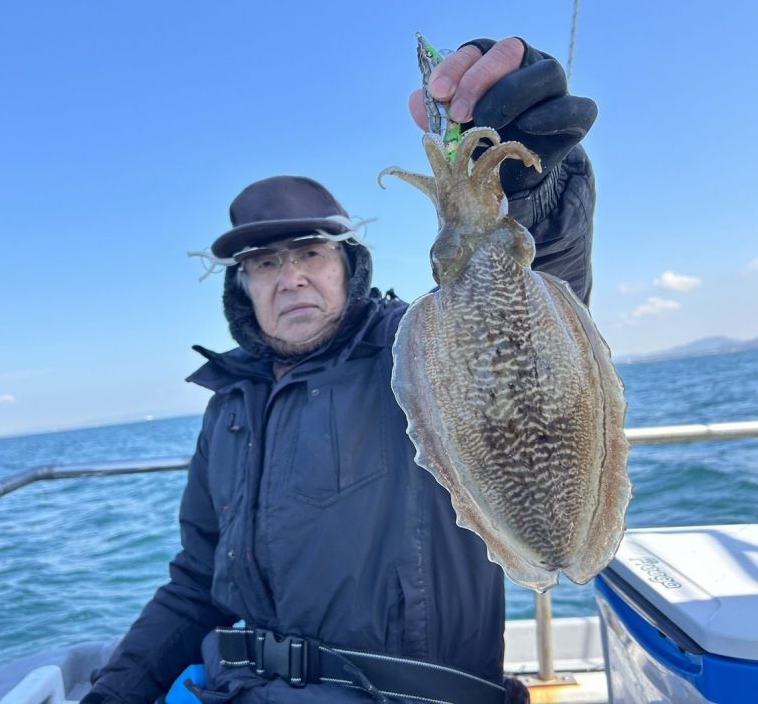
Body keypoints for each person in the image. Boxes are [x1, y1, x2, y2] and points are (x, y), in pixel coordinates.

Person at [81, 37, 597, 704]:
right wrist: (113, 692)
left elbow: (522, 309)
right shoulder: (230, 406)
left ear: (348, 265)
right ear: (242, 288)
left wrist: (534, 184)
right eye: (265, 263)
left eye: (309, 253)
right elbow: (196, 581)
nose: (290, 277)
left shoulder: (410, 353)